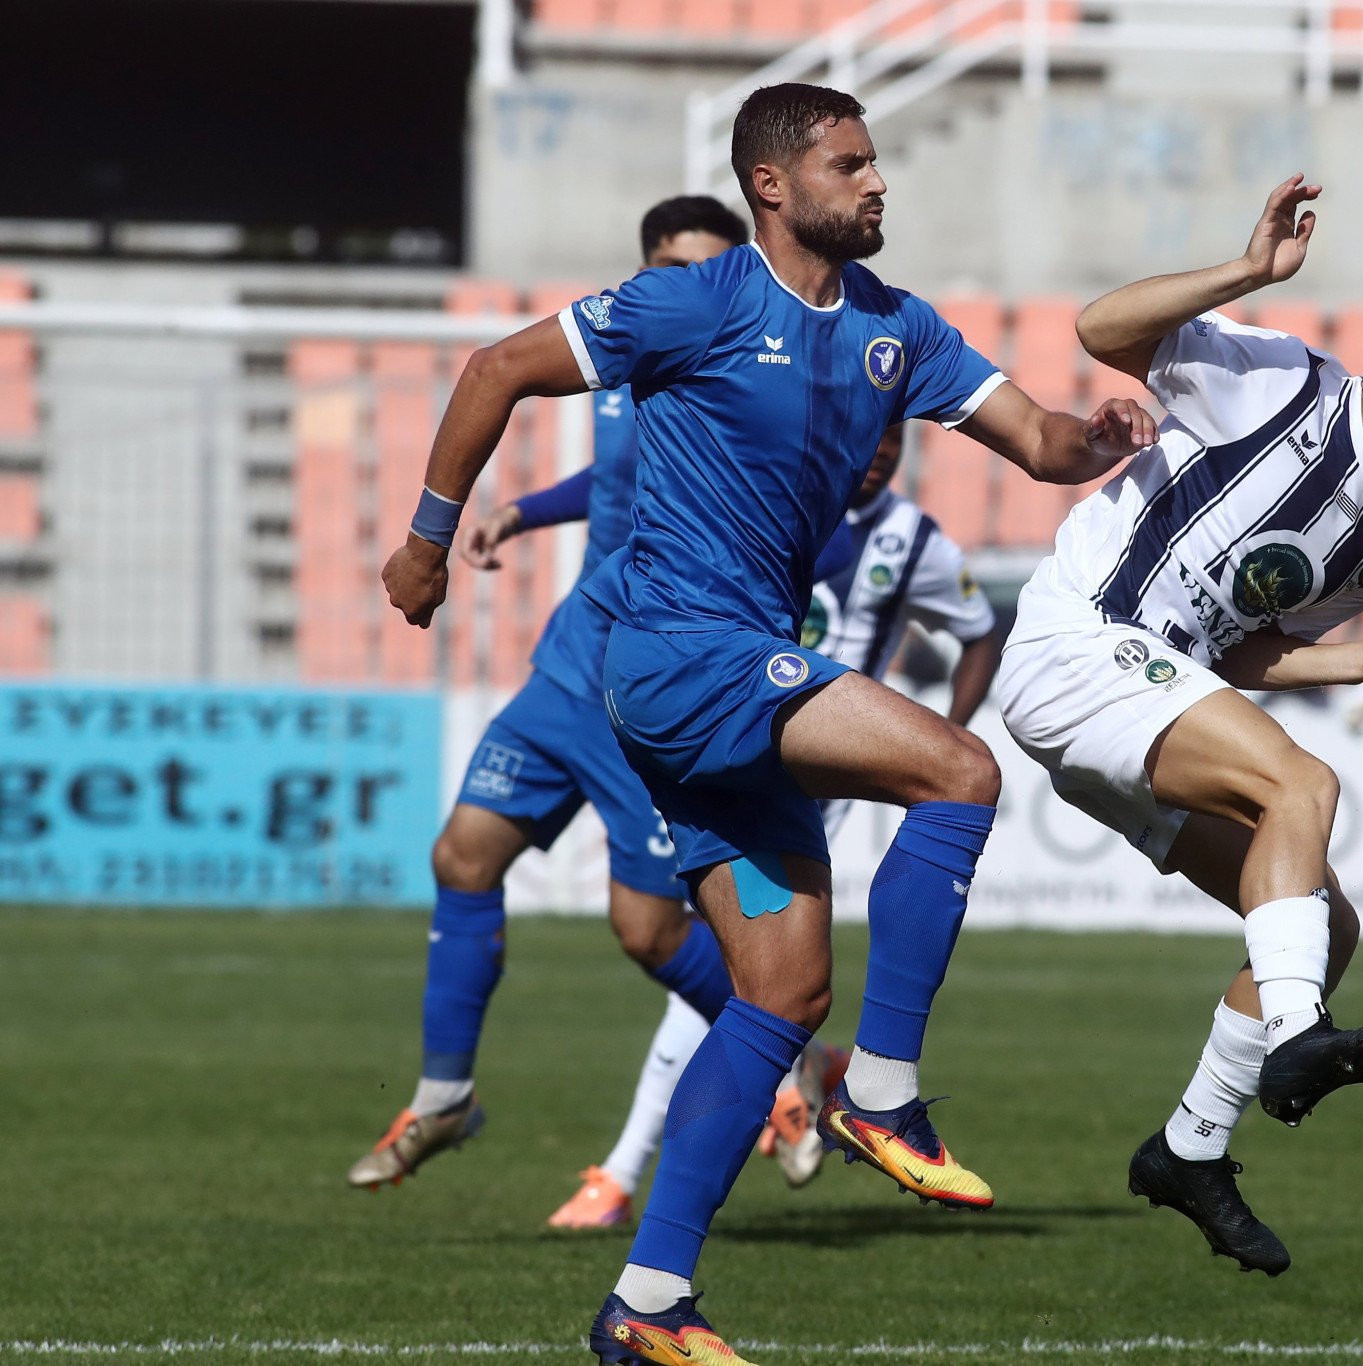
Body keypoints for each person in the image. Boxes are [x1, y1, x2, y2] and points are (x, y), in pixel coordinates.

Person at [378, 83, 1152, 1366]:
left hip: (734, 668)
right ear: (773, 186)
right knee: (959, 771)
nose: (877, 183)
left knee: (780, 990)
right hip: (684, 654)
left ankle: (648, 1300)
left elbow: (1039, 440)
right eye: (851, 165)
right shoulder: (696, 302)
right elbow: (496, 367)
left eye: (876, 162)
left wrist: (1102, 436)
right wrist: (423, 541)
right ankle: (883, 1094)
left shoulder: (899, 331)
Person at [996, 176, 1363, 1277]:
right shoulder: (1276, 381)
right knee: (1304, 788)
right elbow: (1098, 330)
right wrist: (1244, 271)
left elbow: (1234, 655)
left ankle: (1188, 1148)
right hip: (1076, 644)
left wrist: (1357, 660)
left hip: (1140, 700)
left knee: (1323, 932)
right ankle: (1294, 1042)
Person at [345, 195, 757, 1193]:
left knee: (649, 932)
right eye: (661, 264)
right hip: (571, 663)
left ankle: (788, 1060)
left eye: (698, 267)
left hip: (650, 691)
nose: (675, 282)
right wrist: (522, 512)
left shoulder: (739, 385)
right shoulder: (624, 361)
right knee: (463, 852)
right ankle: (444, 1093)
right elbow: (607, 476)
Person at [551, 422, 1002, 1226]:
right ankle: (812, 1079)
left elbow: (977, 634)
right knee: (704, 963)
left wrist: (939, 732)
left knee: (742, 988)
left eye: (893, 449)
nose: (878, 460)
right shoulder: (759, 494)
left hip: (800, 747)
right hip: (717, 729)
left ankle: (625, 1183)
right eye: (868, 444)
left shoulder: (914, 540)